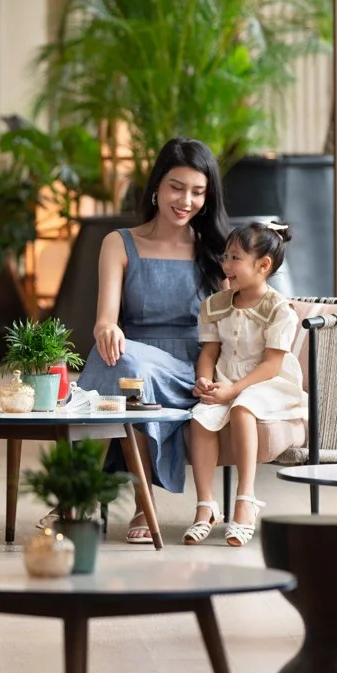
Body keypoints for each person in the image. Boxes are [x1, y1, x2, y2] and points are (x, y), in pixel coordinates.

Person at [77, 136, 229, 544]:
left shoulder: (217, 251)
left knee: (125, 371)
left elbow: (242, 316)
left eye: (198, 192)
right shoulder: (120, 243)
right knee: (125, 365)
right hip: (132, 359)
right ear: (157, 187)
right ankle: (141, 504)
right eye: (176, 187)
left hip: (192, 369)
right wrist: (107, 328)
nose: (186, 200)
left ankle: (82, 494)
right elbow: (105, 320)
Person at [183, 221, 309, 547]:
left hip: (269, 381)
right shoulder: (216, 304)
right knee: (200, 418)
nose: (226, 265)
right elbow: (210, 352)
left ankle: (246, 499)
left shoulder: (280, 310)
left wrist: (234, 391)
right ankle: (206, 504)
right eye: (225, 256)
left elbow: (271, 364)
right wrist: (205, 379)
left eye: (235, 258)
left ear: (263, 265)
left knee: (242, 409)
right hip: (227, 378)